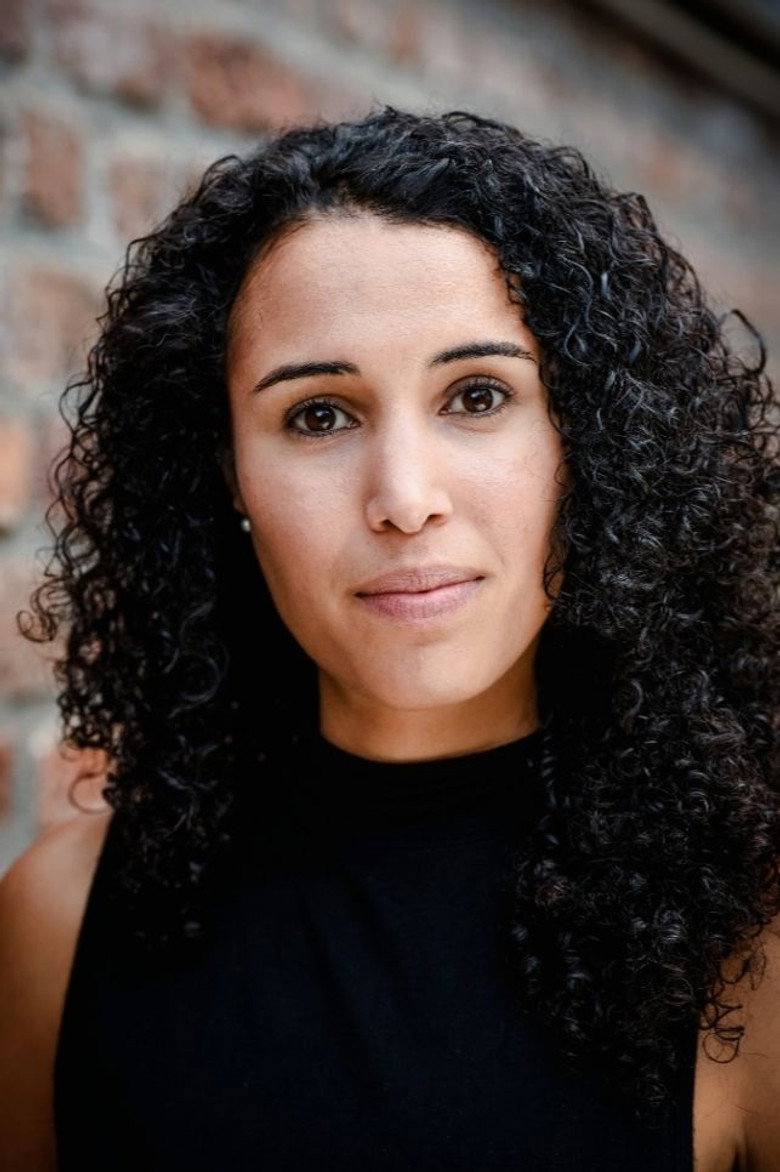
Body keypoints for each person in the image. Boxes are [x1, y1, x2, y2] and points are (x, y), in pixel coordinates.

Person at [0, 105, 778, 1171]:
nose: (405, 499)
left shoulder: (752, 942)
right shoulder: (58, 921)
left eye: (478, 395)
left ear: (587, 442)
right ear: (228, 473)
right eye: (319, 414)